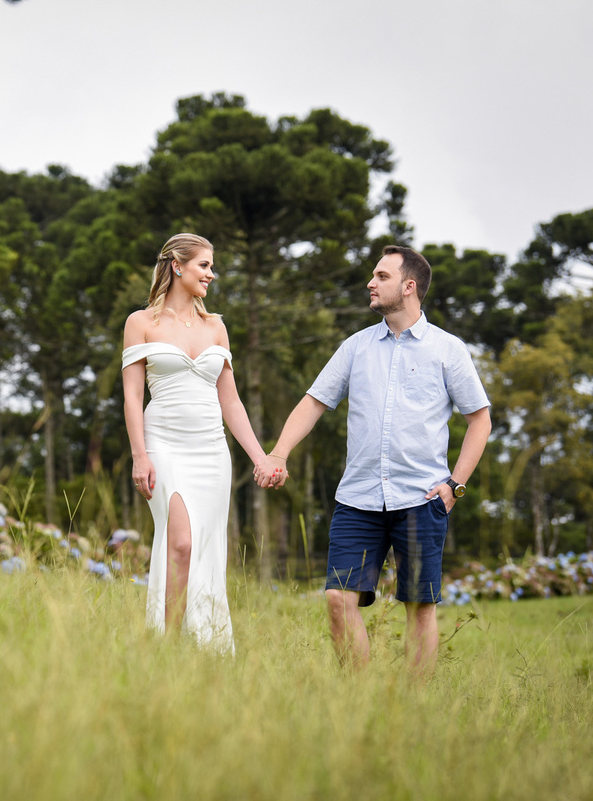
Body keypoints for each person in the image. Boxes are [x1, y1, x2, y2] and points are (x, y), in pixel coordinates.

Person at [257, 245, 491, 676]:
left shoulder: (447, 349)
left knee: (419, 607)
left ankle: (411, 710)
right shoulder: (356, 347)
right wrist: (278, 452)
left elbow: (480, 420)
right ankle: (359, 700)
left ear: (409, 286)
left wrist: (454, 487)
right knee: (337, 599)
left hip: (423, 499)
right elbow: (313, 403)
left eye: (381, 276)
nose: (370, 282)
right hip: (358, 498)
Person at [122, 233, 277, 653]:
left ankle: (203, 645)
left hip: (211, 450)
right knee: (181, 542)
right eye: (204, 265)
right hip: (161, 444)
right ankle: (167, 645)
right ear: (177, 265)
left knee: (205, 547)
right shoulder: (141, 323)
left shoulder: (216, 327)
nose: (212, 273)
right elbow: (133, 396)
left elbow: (231, 400)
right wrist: (139, 455)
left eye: (212, 266)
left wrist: (261, 457)